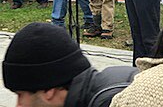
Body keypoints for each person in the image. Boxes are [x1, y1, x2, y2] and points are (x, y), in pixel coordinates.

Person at [2, 22, 138, 107]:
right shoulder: (95, 90)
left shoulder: (114, 101)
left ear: (48, 91)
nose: (18, 105)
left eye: (20, 95)